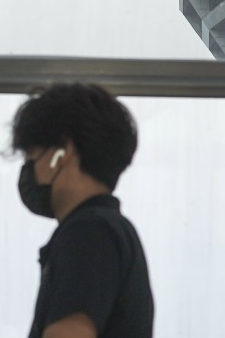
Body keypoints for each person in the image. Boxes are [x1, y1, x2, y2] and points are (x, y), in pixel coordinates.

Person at [11, 83, 154, 338]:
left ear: (62, 153)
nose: (29, 171)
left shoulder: (88, 233)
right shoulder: (110, 229)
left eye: (33, 157)